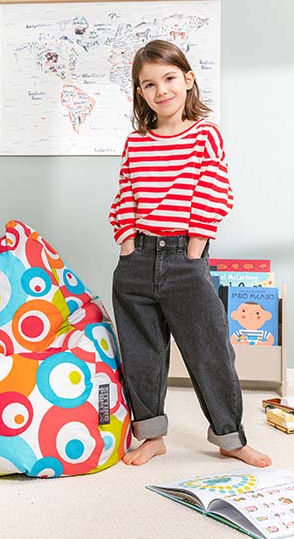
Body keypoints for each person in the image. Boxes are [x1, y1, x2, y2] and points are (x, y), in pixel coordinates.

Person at [108, 39, 272, 468]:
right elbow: (126, 195)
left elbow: (213, 191)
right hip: (137, 260)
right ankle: (152, 436)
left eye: (169, 78)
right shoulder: (136, 142)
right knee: (142, 355)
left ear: (188, 79)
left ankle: (230, 437)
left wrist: (195, 248)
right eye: (149, 84)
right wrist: (127, 245)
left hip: (185, 259)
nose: (161, 90)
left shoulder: (205, 135)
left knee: (210, 352)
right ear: (140, 92)